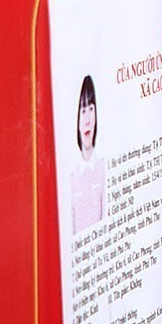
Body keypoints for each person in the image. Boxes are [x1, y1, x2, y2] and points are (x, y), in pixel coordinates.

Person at [72, 74, 105, 233]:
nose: (87, 119)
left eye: (91, 109)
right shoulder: (71, 176)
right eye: (83, 110)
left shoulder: (104, 169)